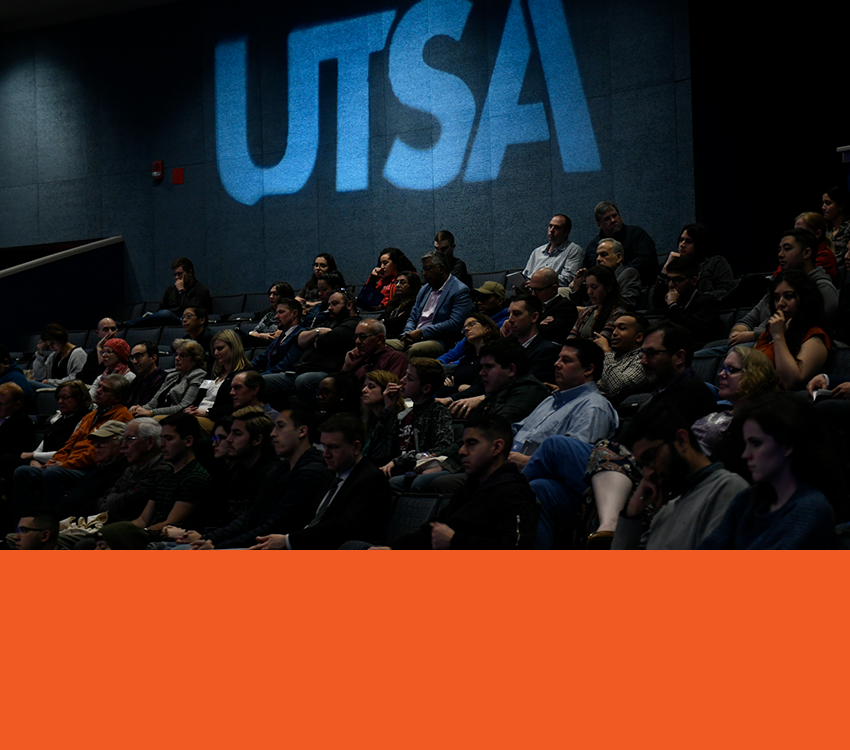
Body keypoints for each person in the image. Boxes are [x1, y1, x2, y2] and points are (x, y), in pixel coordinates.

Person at [509, 339, 619, 548]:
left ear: (588, 369)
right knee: (537, 489)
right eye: (558, 358)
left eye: (566, 360)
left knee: (553, 447)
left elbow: (574, 463)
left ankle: (503, 493)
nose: (556, 364)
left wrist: (523, 462)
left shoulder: (594, 407)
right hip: (520, 469)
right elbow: (517, 431)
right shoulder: (550, 400)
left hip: (573, 489)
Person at [182, 400, 335, 550]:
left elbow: (275, 526)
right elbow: (250, 517)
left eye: (280, 427)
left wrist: (216, 545)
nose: (273, 434)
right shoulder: (281, 469)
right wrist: (210, 539)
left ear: (302, 431)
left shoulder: (310, 473)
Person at [378, 414, 539, 549]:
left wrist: (455, 540)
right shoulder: (470, 488)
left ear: (496, 447)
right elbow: (431, 531)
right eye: (463, 444)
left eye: (472, 444)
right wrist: (390, 549)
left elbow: (516, 550)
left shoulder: (515, 493)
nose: (462, 452)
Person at [700, 394, 840, 549]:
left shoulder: (812, 509)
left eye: (756, 443)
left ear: (787, 445)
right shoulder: (747, 499)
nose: (745, 454)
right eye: (746, 444)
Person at [248, 412, 393, 550]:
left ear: (355, 447)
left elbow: (342, 529)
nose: (326, 454)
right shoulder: (332, 478)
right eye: (324, 446)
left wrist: (288, 541)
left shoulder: (370, 480)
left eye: (333, 447)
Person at [612, 408, 749, 549]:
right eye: (642, 465)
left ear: (682, 440)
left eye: (651, 457)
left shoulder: (728, 489)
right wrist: (634, 510)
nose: (648, 473)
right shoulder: (667, 511)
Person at [11, 374, 133, 511]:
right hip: (70, 466)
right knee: (23, 472)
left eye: (105, 390)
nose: (98, 391)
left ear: (118, 397)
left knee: (53, 474)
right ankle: (23, 524)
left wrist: (65, 465)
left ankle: (52, 522)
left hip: (89, 470)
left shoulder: (122, 416)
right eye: (99, 386)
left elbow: (97, 452)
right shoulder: (91, 416)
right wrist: (54, 461)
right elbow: (69, 445)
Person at [727, 229, 838, 348]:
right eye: (780, 249)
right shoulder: (780, 286)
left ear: (806, 253)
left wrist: (754, 335)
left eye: (787, 248)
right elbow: (750, 319)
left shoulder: (823, 288)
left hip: (790, 346)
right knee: (707, 351)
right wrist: (736, 332)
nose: (780, 255)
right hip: (761, 341)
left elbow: (802, 328)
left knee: (736, 352)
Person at [131, 412, 210, 534]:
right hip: (150, 534)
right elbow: (142, 520)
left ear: (188, 441)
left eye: (169, 439)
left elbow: (170, 524)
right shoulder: (164, 476)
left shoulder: (195, 477)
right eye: (161, 438)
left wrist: (134, 534)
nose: (162, 445)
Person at [753, 270, 830, 391]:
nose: (780, 303)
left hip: (777, 402)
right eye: (776, 298)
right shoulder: (770, 332)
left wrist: (779, 337)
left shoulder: (814, 336)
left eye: (788, 296)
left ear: (804, 300)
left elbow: (792, 382)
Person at [387, 249, 472, 357]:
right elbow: (413, 317)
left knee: (414, 350)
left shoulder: (459, 290)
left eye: (428, 268)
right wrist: (407, 333)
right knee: (378, 344)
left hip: (439, 340)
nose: (424, 273)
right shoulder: (425, 289)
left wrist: (422, 332)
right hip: (413, 336)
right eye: (423, 269)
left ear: (441, 268)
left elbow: (454, 324)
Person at [382, 359, 453, 487]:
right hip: (393, 468)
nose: (402, 380)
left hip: (415, 470)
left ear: (426, 388)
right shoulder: (405, 414)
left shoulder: (437, 412)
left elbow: (442, 448)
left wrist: (398, 462)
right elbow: (379, 449)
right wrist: (388, 409)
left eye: (409, 378)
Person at [185, 329, 251, 432]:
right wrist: (190, 409)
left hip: (219, 421)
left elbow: (239, 405)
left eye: (220, 348)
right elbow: (198, 398)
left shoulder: (245, 373)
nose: (216, 353)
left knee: (179, 427)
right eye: (214, 349)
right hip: (197, 416)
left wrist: (207, 412)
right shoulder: (212, 372)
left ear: (233, 348)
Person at [650, 255, 724, 346]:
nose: (671, 285)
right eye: (669, 280)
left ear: (693, 281)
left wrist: (673, 305)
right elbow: (657, 304)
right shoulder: (675, 304)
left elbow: (692, 331)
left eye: (677, 280)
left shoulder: (707, 303)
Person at [17, 380, 90, 469]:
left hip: (60, 465)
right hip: (43, 462)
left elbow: (68, 452)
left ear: (79, 399)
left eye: (65, 397)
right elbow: (42, 445)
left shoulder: (84, 420)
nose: (60, 401)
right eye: (58, 397)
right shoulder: (61, 418)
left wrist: (34, 455)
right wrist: (34, 459)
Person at [582, 201, 659, 285]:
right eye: (607, 219)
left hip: (639, 285)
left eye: (615, 216)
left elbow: (645, 262)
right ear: (599, 225)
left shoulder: (637, 234)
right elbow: (592, 271)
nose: (613, 220)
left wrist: (620, 275)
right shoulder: (594, 246)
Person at [131, 339, 207, 418]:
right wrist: (138, 409)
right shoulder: (172, 376)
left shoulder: (198, 374)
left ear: (195, 360)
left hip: (179, 417)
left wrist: (152, 412)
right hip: (160, 414)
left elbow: (183, 406)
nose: (177, 358)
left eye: (182, 355)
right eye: (176, 354)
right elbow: (152, 403)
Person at [656, 223, 735, 300]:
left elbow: (726, 291)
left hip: (705, 308)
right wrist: (666, 267)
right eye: (681, 240)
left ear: (700, 244)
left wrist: (695, 300)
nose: (682, 245)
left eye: (689, 241)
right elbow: (657, 301)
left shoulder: (715, 263)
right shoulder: (675, 265)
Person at [128, 257, 213, 326]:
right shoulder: (171, 289)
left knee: (165, 314)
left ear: (190, 273)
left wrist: (181, 290)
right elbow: (161, 308)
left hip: (186, 321)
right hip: (168, 321)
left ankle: (129, 324)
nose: (176, 277)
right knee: (157, 314)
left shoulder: (201, 290)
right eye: (174, 275)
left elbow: (190, 311)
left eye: (179, 274)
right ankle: (130, 324)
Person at [437, 313, 500, 400]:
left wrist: (454, 388)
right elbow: (441, 390)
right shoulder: (466, 360)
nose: (466, 329)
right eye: (464, 327)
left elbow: (480, 390)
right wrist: (460, 388)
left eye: (471, 324)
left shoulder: (494, 357)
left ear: (487, 328)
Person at [593, 313, 649, 403]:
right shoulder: (610, 356)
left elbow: (616, 388)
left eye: (622, 328)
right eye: (614, 328)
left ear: (639, 337)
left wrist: (606, 352)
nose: (614, 333)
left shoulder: (643, 361)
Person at [571, 239, 641, 309]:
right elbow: (586, 305)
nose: (598, 259)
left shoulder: (628, 273)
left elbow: (627, 303)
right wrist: (577, 288)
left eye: (603, 255)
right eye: (597, 255)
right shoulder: (598, 278)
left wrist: (588, 310)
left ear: (618, 257)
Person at [340, 318, 408, 390]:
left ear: (379, 338)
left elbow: (390, 392)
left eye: (363, 337)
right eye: (356, 337)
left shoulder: (396, 358)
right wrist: (346, 369)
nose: (357, 341)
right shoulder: (359, 362)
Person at [568, 264, 627, 342]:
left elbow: (600, 341)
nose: (589, 292)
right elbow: (571, 337)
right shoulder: (586, 312)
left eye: (594, 287)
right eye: (587, 287)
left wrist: (576, 345)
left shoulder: (618, 313)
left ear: (608, 287)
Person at [522, 214, 584, 286]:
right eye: (550, 226)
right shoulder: (537, 252)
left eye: (557, 228)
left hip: (554, 292)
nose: (551, 230)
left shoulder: (573, 250)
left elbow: (568, 278)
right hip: (531, 291)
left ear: (566, 232)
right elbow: (526, 275)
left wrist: (539, 283)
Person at [361, 370, 407, 467]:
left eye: (371, 386)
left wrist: (388, 409)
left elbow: (379, 454)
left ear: (387, 391)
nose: (364, 390)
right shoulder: (369, 420)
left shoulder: (399, 420)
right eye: (365, 386)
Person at [252, 298, 305, 375]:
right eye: (276, 313)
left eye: (281, 312)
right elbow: (261, 359)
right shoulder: (280, 337)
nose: (275, 317)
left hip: (285, 377)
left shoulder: (300, 335)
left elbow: (286, 365)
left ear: (294, 314)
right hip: (270, 375)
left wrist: (259, 378)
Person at [526, 268, 578, 342]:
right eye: (532, 289)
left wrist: (533, 326)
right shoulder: (532, 304)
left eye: (538, 290)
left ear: (554, 289)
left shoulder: (565, 308)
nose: (533, 294)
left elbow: (549, 335)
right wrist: (539, 325)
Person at [380, 270, 421, 340]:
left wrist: (384, 321)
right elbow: (381, 319)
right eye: (397, 282)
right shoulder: (393, 303)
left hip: (398, 337)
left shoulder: (414, 304)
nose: (398, 285)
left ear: (412, 286)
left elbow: (398, 324)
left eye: (402, 282)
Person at [78, 317, 119, 384]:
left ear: (117, 331)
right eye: (106, 329)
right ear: (98, 333)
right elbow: (84, 377)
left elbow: (105, 373)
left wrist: (100, 348)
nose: (110, 333)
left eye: (113, 329)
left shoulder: (122, 352)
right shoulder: (93, 354)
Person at [126, 341, 166, 407]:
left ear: (153, 358)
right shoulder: (137, 380)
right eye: (132, 358)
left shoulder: (164, 380)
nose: (134, 362)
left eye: (138, 356)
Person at [823, 185, 850, 257]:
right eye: (823, 203)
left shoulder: (848, 229)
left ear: (841, 206)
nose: (823, 207)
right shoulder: (825, 230)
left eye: (828, 203)